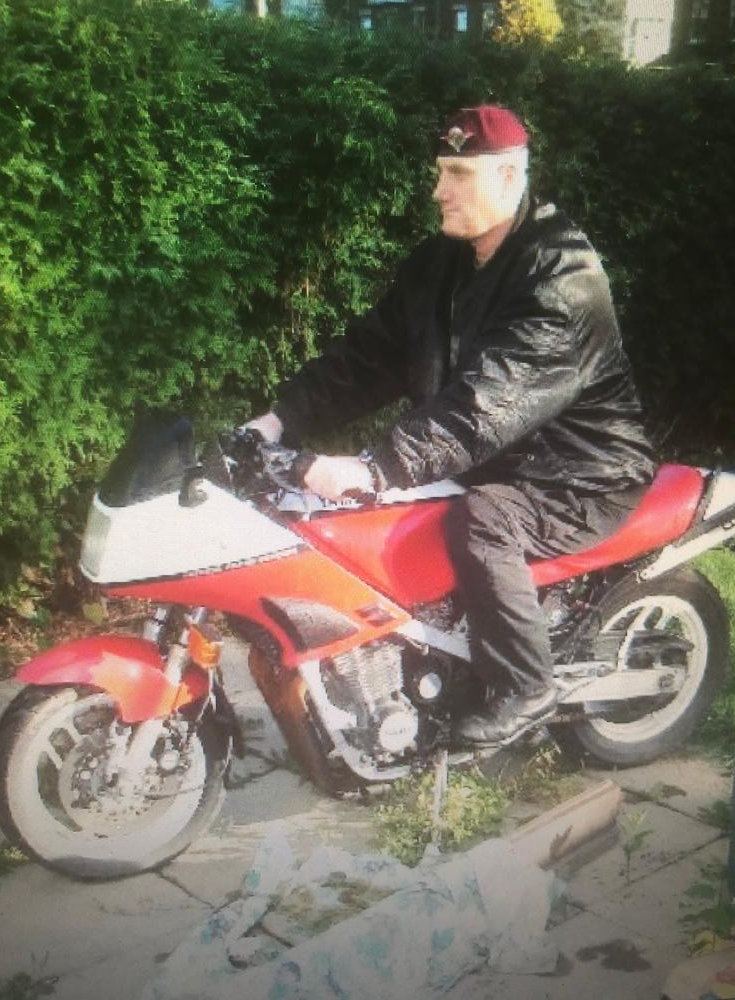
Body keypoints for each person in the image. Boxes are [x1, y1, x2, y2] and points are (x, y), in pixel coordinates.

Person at [246, 104, 656, 745]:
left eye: (459, 174)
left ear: (509, 177)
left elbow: (488, 403)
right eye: (440, 171)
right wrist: (280, 420)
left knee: (483, 521)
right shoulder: (442, 262)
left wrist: (378, 467)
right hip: (495, 457)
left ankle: (526, 687)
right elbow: (370, 355)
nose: (439, 190)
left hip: (579, 474)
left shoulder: (562, 276)